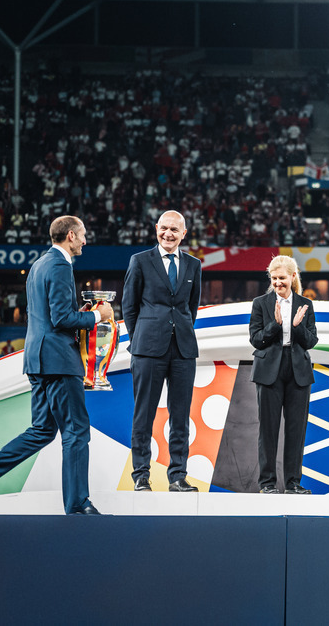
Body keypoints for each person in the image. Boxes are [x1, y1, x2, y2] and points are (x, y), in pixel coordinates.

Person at [0, 215, 113, 515]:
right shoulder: (59, 265)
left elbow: (50, 313)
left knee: (43, 430)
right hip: (58, 362)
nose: (85, 241)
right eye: (83, 235)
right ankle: (79, 504)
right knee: (77, 431)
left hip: (37, 360)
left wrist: (79, 311)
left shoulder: (39, 265)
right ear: (70, 235)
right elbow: (61, 319)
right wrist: (99, 317)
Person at [123, 210, 202, 492]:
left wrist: (177, 329)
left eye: (174, 230)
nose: (168, 234)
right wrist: (141, 337)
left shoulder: (194, 265)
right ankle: (141, 475)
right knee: (143, 414)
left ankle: (178, 476)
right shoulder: (140, 261)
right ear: (156, 228)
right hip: (147, 350)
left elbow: (190, 309)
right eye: (164, 228)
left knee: (180, 416)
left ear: (184, 233)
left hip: (183, 350)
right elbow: (129, 306)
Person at [249, 255, 318, 494]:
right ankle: (267, 483)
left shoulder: (305, 304)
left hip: (298, 370)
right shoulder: (260, 303)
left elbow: (311, 341)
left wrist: (297, 327)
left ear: (293, 277)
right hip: (269, 370)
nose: (278, 282)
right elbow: (256, 339)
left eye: (282, 278)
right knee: (267, 430)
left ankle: (293, 483)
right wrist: (275, 325)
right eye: (274, 278)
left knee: (296, 431)